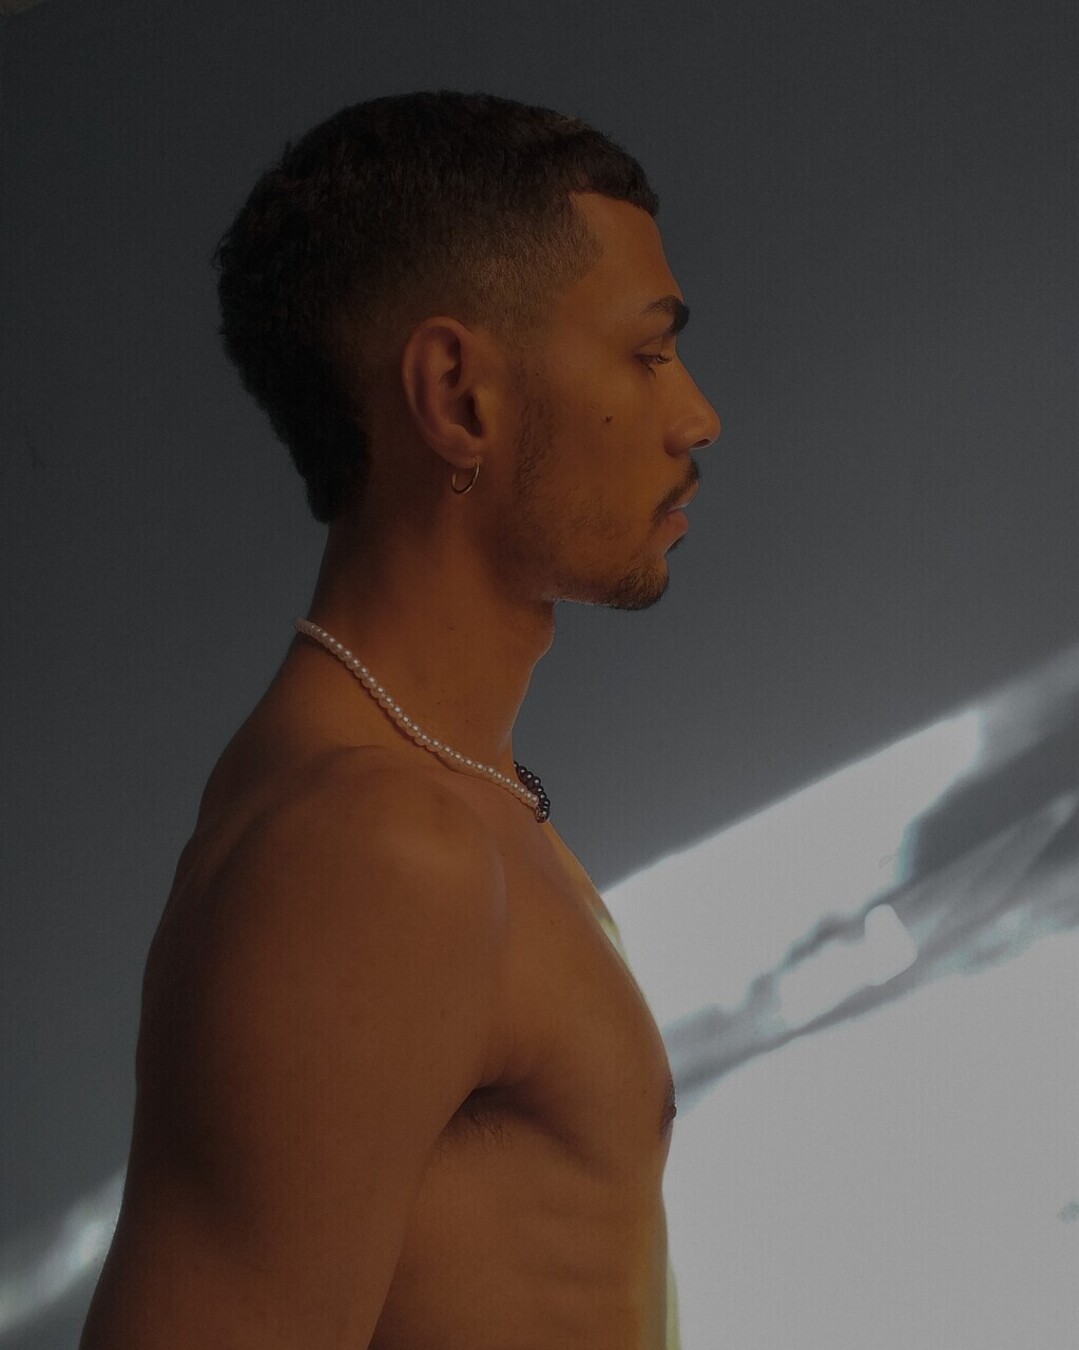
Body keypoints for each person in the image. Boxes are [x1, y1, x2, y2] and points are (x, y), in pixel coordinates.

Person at [78, 89, 721, 1350]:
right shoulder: (378, 848)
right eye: (649, 353)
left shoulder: (456, 794)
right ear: (458, 397)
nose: (695, 413)